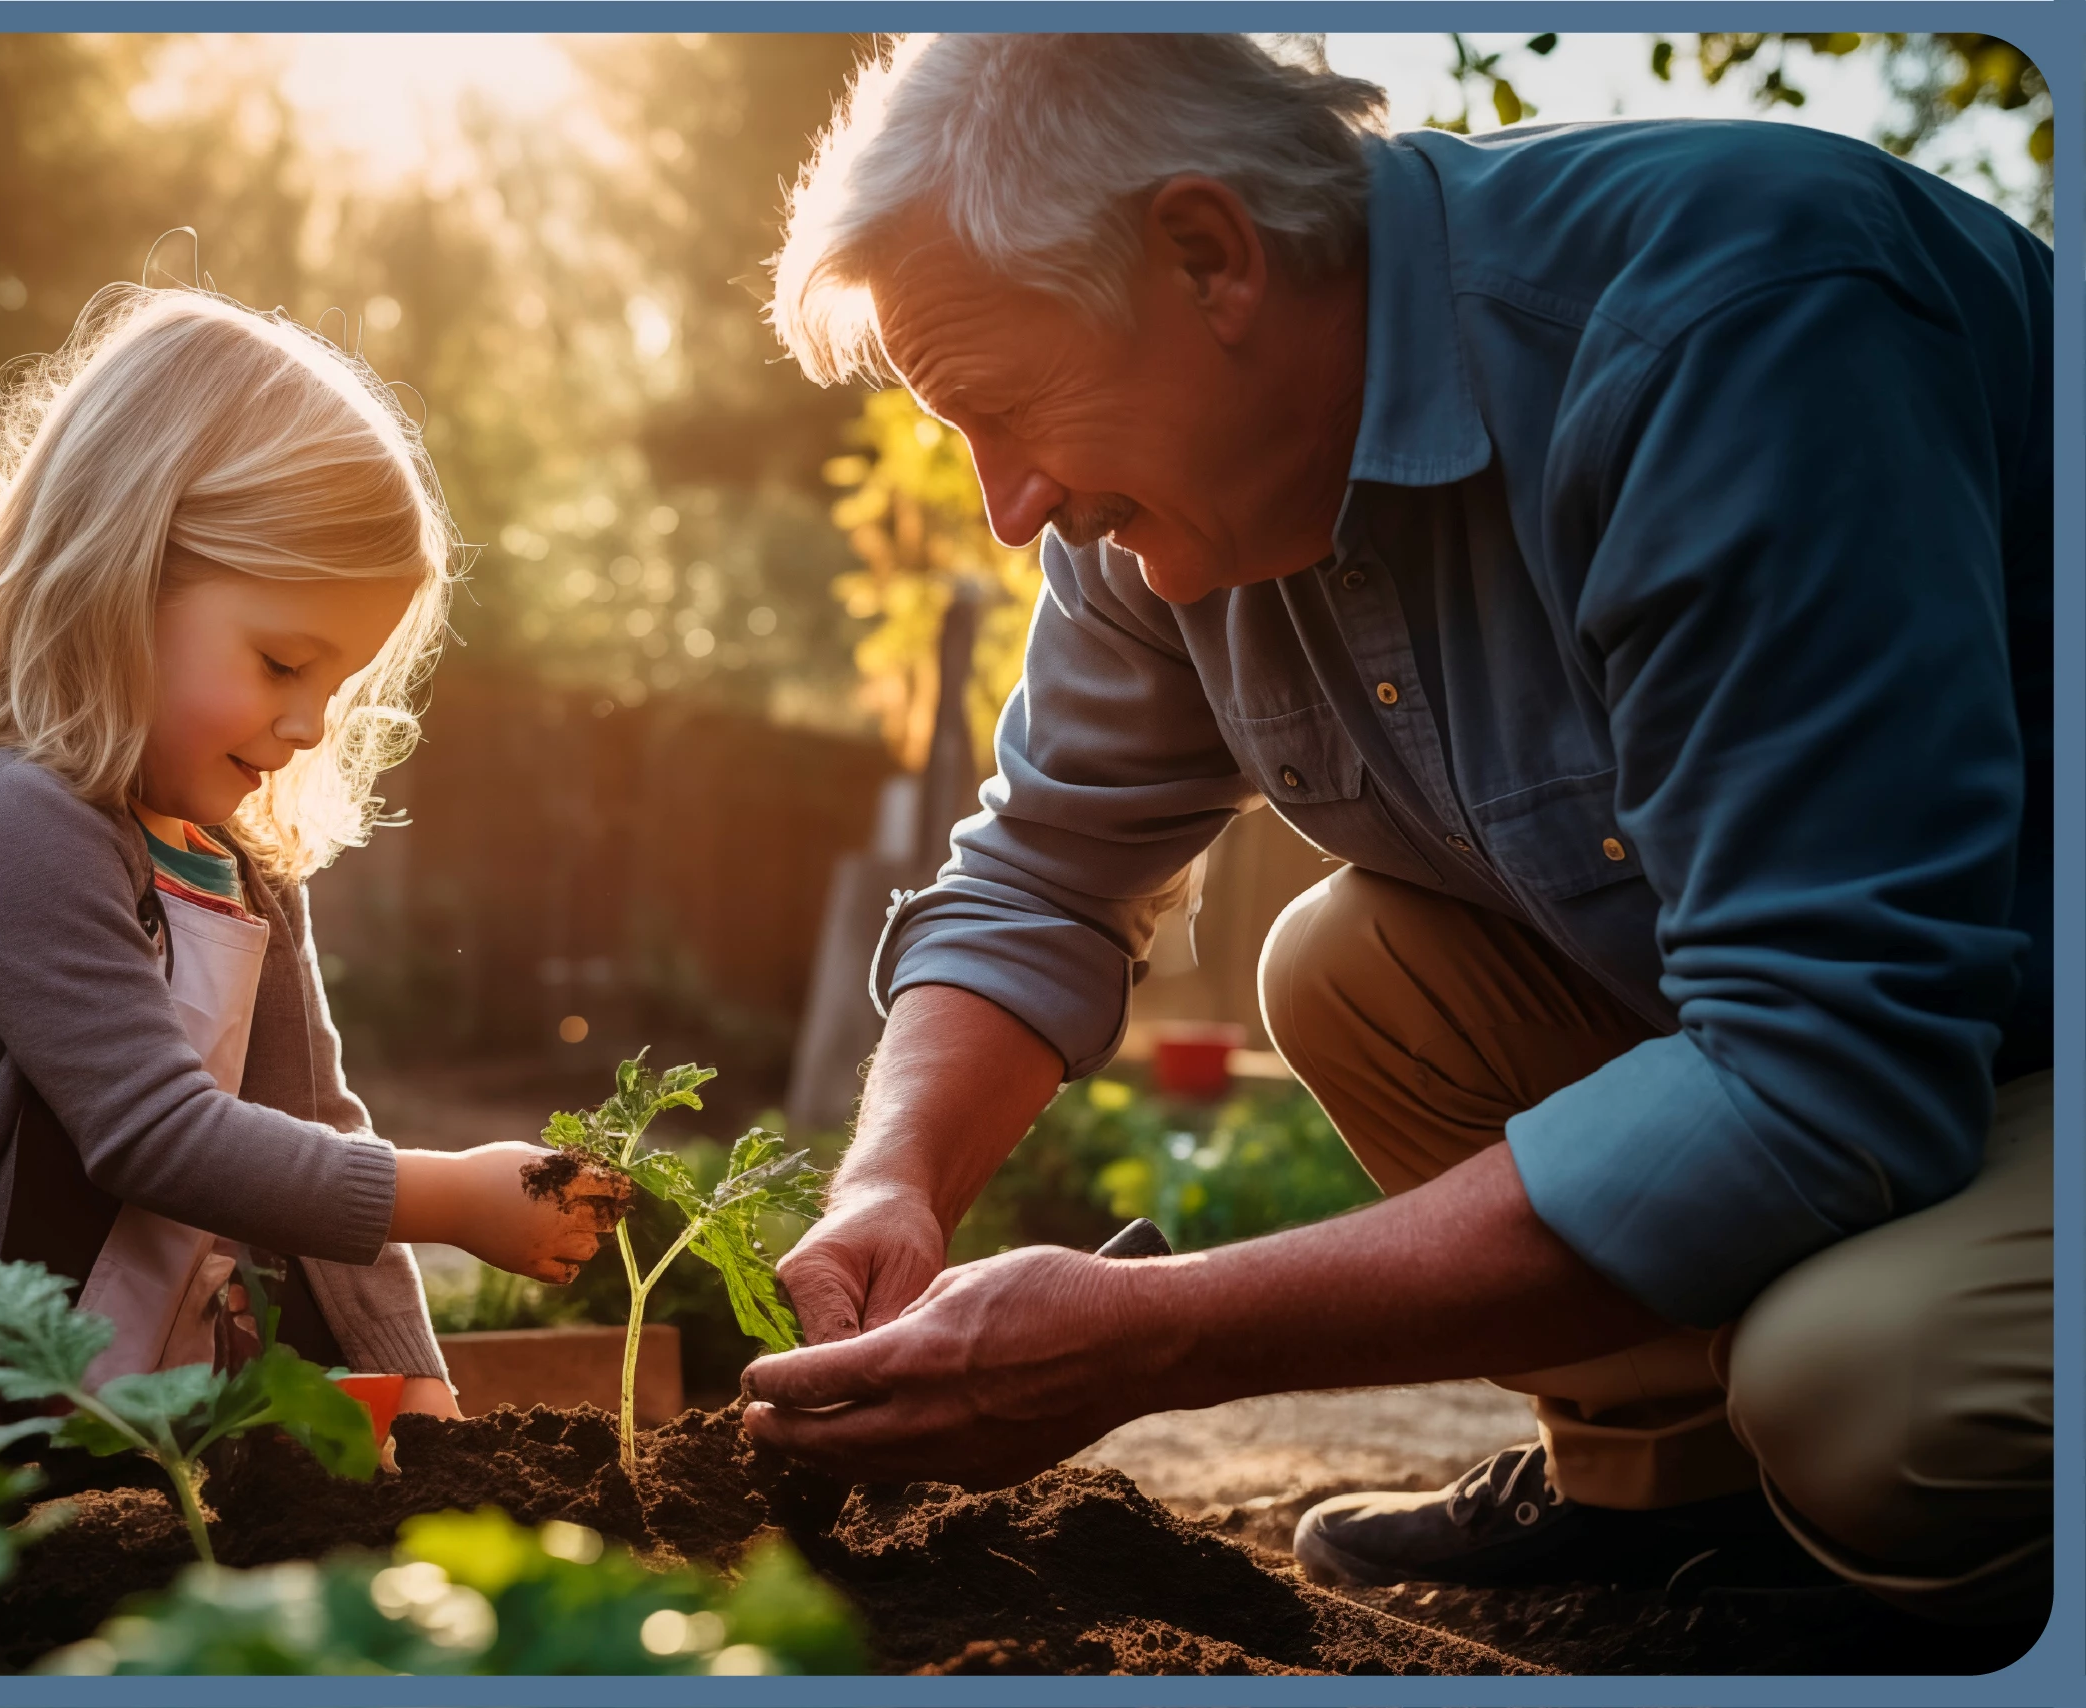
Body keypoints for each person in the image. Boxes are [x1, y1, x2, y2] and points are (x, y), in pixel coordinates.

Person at [741, 33, 2052, 1627]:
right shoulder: (1157, 486)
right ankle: (1664, 1491)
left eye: (1004, 408)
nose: (1007, 505)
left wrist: (1158, 1329)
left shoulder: (1725, 332)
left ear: (1209, 255)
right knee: (1353, 968)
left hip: (1993, 1033)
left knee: (1878, 1398)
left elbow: (1826, 1067)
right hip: (1923, 1039)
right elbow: (1040, 871)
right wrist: (893, 1183)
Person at [0, 286, 624, 1514]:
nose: (312, 720)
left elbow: (316, 1120)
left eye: (341, 679)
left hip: (44, 1434)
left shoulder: (232, 860)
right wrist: (449, 1197)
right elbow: (151, 1133)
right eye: (282, 661)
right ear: (120, 572)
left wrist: (412, 1387)